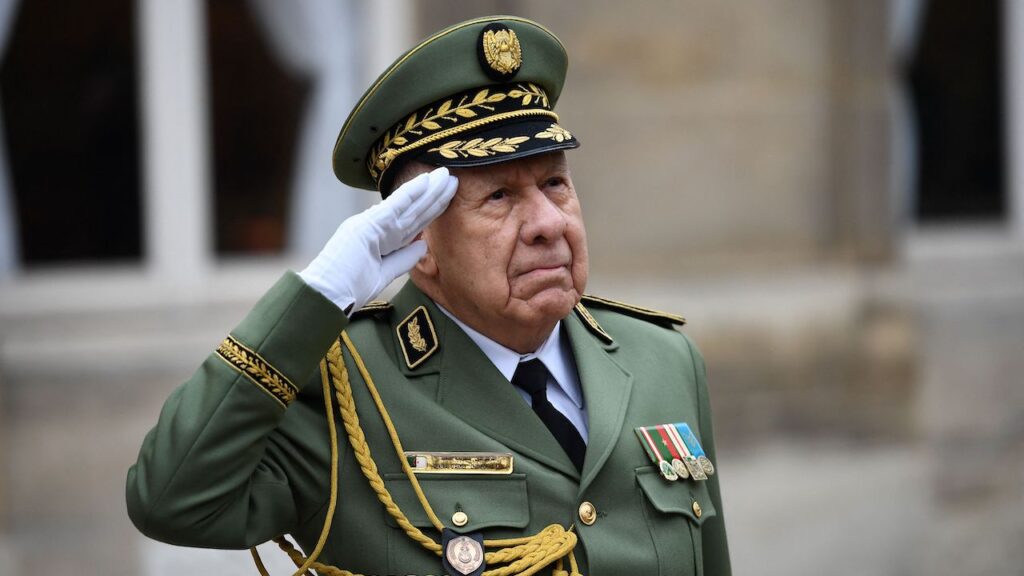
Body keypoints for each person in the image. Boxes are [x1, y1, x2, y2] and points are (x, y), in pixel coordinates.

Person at [126, 15, 730, 576]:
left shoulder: (662, 360)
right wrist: (317, 296)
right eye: (499, 197)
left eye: (554, 183)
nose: (548, 222)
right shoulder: (344, 387)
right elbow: (171, 500)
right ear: (419, 240)